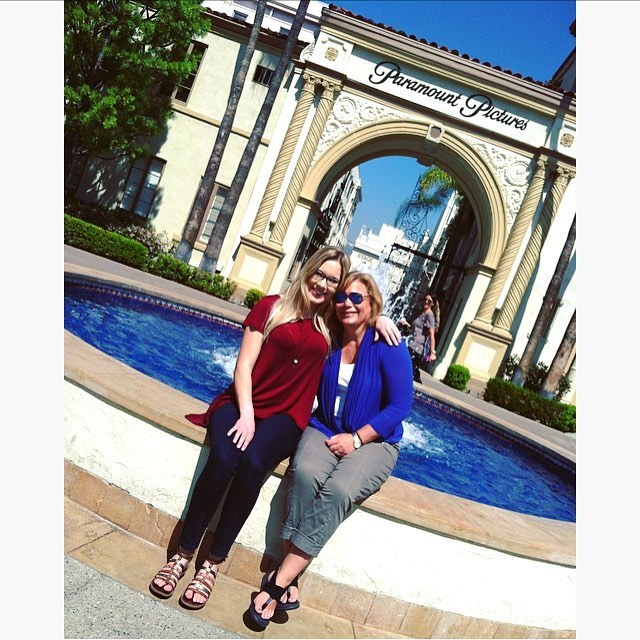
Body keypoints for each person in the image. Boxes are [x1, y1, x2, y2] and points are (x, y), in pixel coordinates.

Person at [148, 248, 401, 610]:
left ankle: (212, 564)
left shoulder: (329, 328)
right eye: (320, 274)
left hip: (285, 418)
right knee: (223, 458)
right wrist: (247, 415)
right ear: (308, 271)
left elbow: (360, 320)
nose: (323, 284)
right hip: (241, 404)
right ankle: (182, 554)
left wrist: (380, 317)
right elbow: (242, 367)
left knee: (253, 464)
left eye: (333, 281)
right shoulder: (271, 307)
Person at [248, 271, 413, 628]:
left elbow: (401, 405)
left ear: (372, 302)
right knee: (305, 472)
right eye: (342, 297)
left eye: (357, 298)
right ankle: (292, 576)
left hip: (376, 441)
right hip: (324, 426)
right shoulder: (331, 336)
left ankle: (277, 583)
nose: (347, 304)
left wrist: (357, 439)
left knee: (338, 490)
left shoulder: (388, 343)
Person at [399, 291, 439, 382]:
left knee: (410, 369)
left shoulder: (429, 315)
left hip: (417, 348)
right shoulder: (420, 313)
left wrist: (432, 352)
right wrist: (406, 324)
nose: (426, 302)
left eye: (429, 301)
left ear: (432, 304)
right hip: (410, 343)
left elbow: (432, 335)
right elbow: (414, 330)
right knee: (406, 367)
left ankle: (415, 382)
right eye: (425, 299)